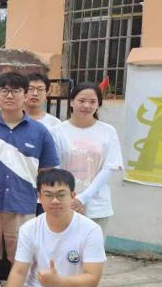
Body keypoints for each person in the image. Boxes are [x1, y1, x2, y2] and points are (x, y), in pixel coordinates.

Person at [0, 72, 59, 287]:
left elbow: (46, 170)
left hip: (23, 206)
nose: (10, 96)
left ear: (25, 95)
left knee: (22, 261)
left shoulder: (40, 132)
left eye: (16, 91)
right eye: (5, 91)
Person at [51, 82, 123, 232]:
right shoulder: (57, 132)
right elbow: (55, 169)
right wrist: (69, 199)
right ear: (71, 102)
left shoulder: (108, 131)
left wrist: (82, 198)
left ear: (98, 104)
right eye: (81, 100)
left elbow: (109, 168)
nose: (86, 105)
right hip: (64, 204)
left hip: (97, 206)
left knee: (93, 247)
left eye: (92, 101)